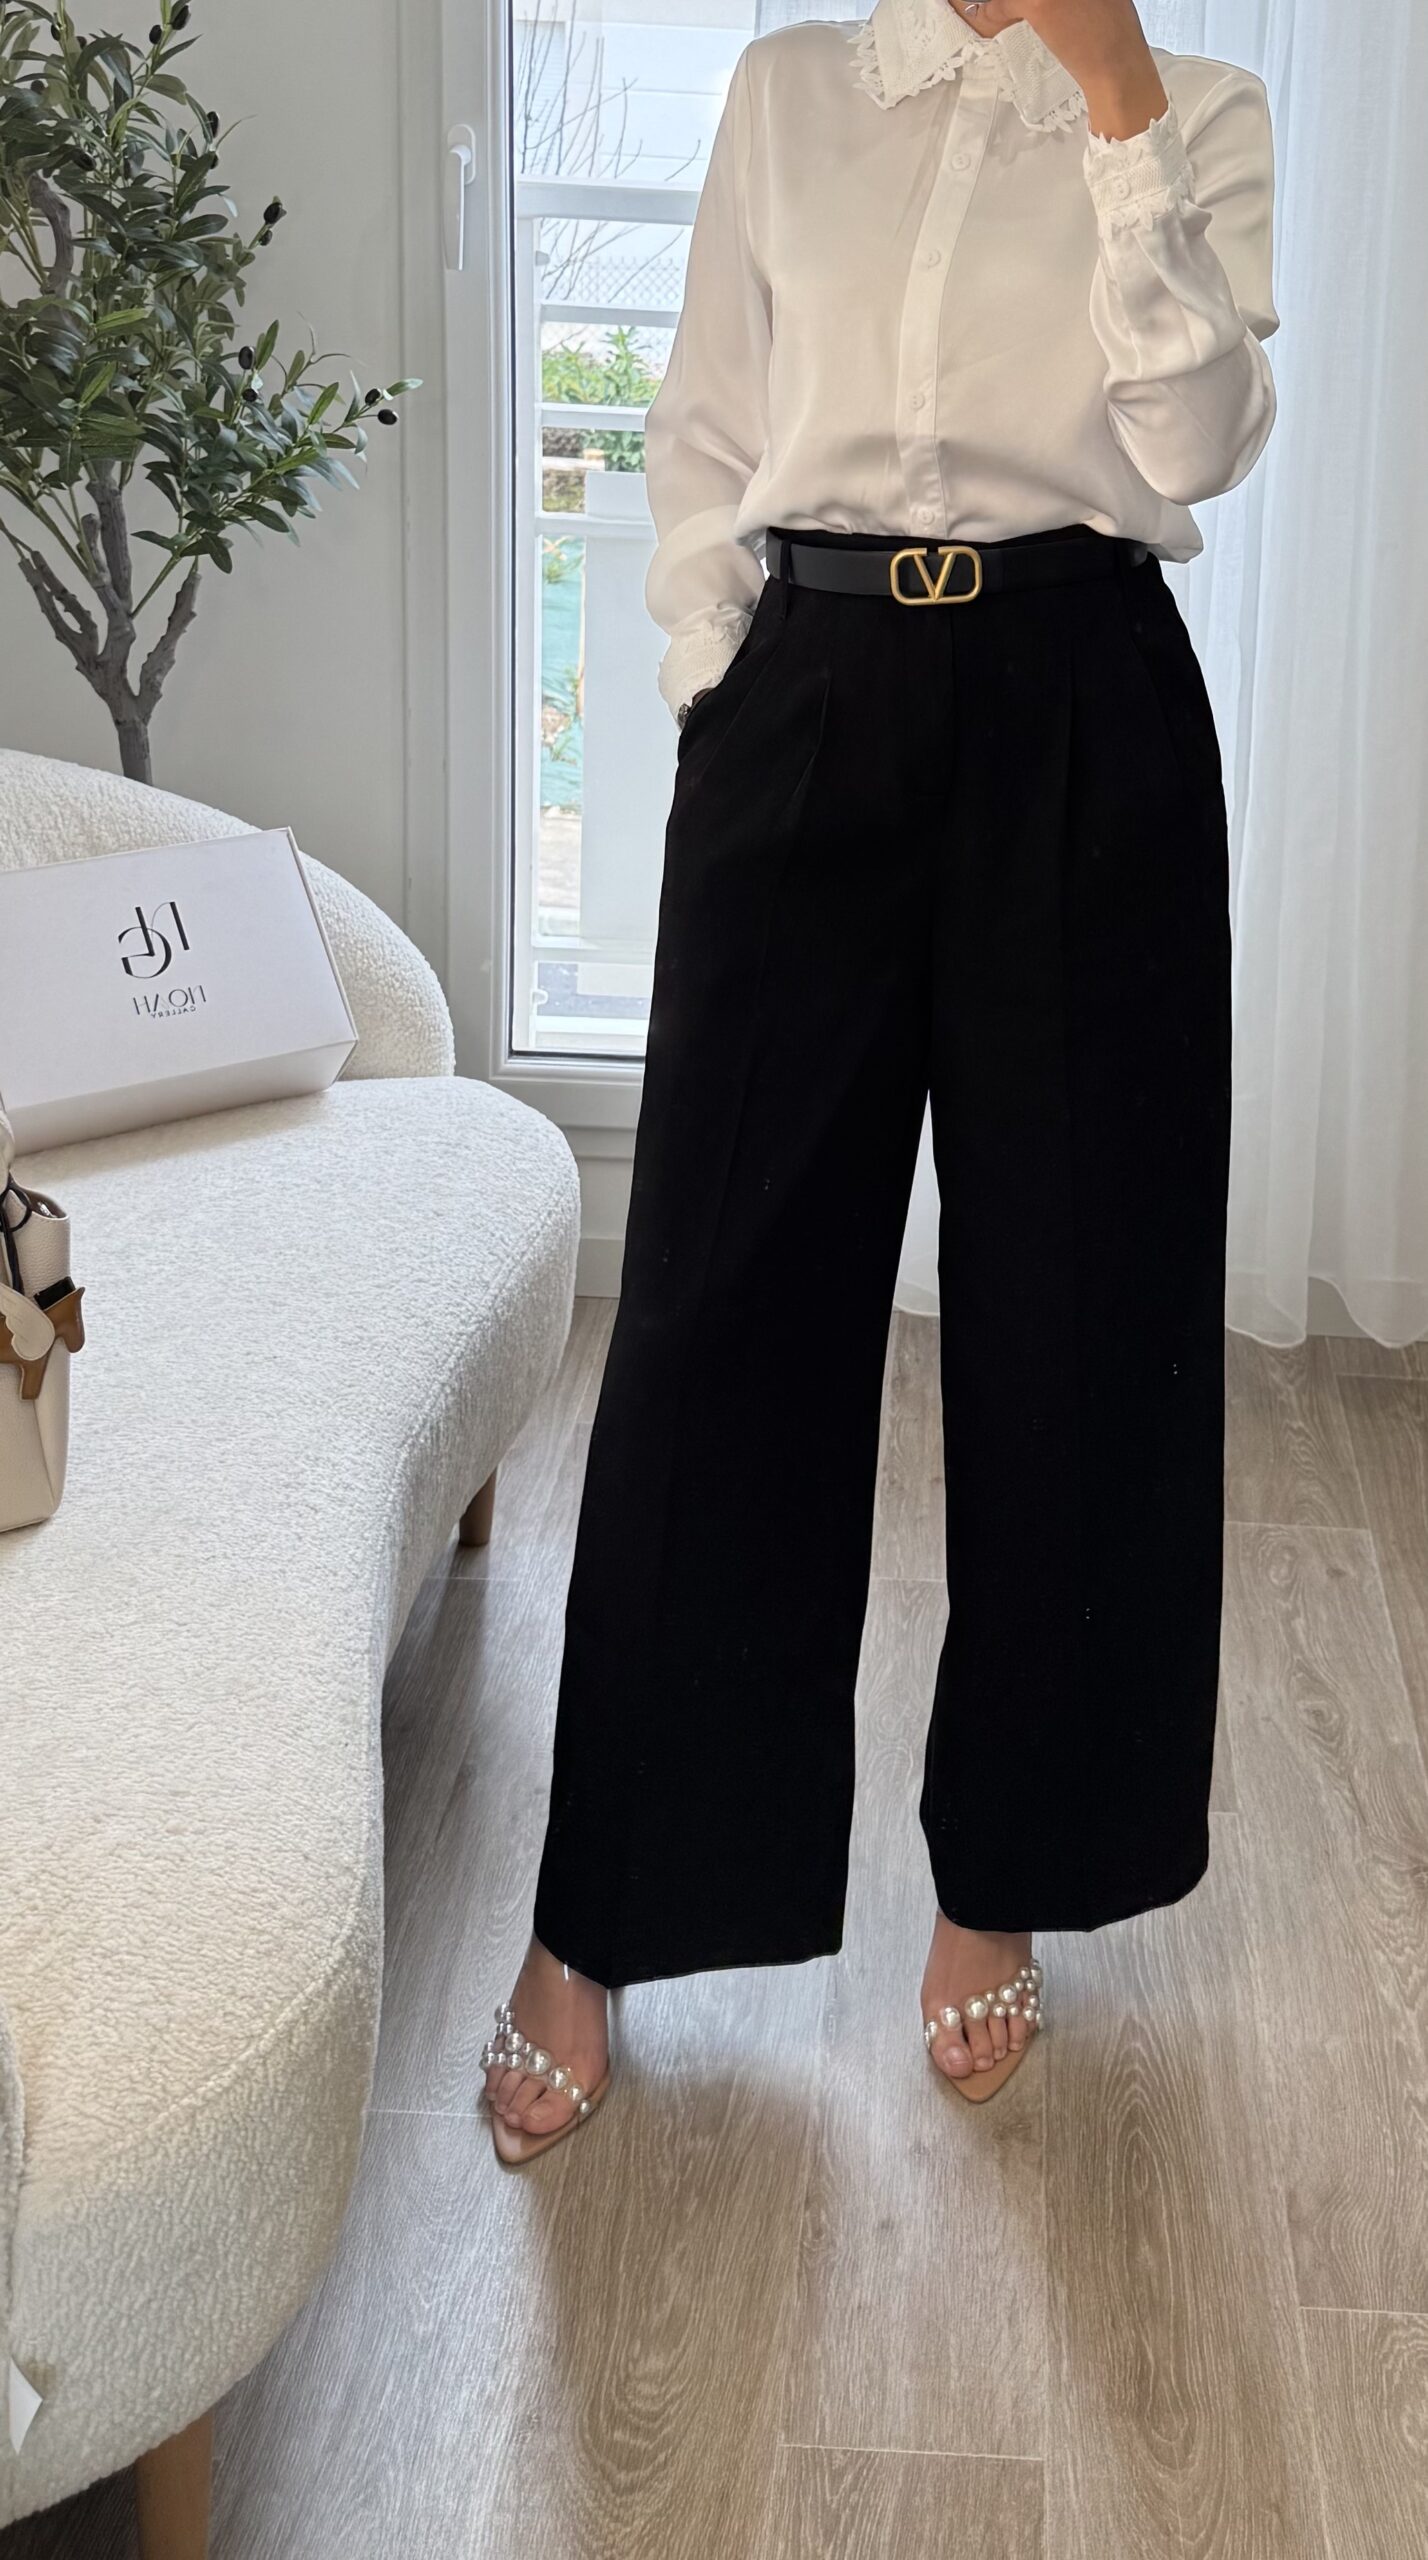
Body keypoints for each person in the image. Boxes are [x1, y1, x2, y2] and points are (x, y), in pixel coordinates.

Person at [482, 0, 1279, 2162]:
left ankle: (1005, 1869)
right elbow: (703, 421)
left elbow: (1203, 436)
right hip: (810, 697)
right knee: (711, 1321)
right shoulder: (788, 92)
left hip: (1085, 717)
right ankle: (600, 1910)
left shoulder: (1198, 112)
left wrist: (1116, 103)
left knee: (1078, 1320)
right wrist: (715, 678)